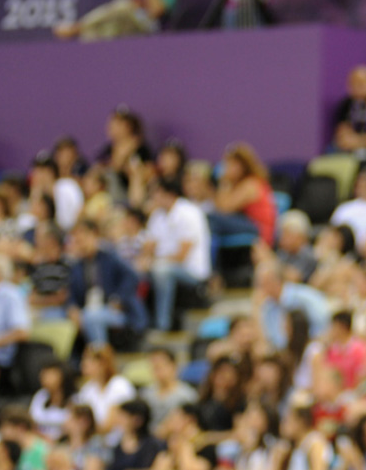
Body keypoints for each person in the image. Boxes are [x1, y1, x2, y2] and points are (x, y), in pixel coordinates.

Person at [66, 218, 148, 345]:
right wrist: (72, 308)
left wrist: (119, 299)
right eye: (78, 241)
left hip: (116, 310)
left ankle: (99, 353)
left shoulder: (109, 256)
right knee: (57, 316)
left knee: (91, 316)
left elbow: (132, 276)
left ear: (94, 235)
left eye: (83, 239)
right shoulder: (76, 265)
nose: (81, 244)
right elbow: (70, 292)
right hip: (89, 308)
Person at [146, 178, 211, 332]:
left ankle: (163, 324)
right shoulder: (157, 216)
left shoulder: (189, 213)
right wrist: (144, 261)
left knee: (161, 270)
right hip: (164, 263)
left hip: (192, 271)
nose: (153, 198)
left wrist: (154, 260)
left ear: (169, 194)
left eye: (156, 194)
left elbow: (182, 256)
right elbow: (148, 247)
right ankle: (140, 323)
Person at [209, 143, 277, 249]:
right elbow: (219, 206)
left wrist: (224, 182)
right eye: (227, 164)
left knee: (211, 219)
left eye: (232, 165)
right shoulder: (238, 184)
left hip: (258, 231)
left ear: (243, 166)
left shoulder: (250, 184)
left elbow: (224, 210)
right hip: (245, 224)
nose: (227, 168)